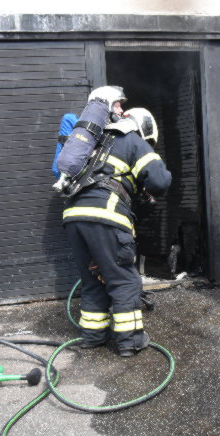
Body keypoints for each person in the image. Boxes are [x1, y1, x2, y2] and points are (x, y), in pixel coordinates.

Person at [61, 87, 172, 357]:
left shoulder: (96, 140)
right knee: (124, 280)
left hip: (73, 216)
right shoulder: (133, 139)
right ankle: (130, 341)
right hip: (105, 214)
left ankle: (93, 336)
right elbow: (159, 180)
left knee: (92, 279)